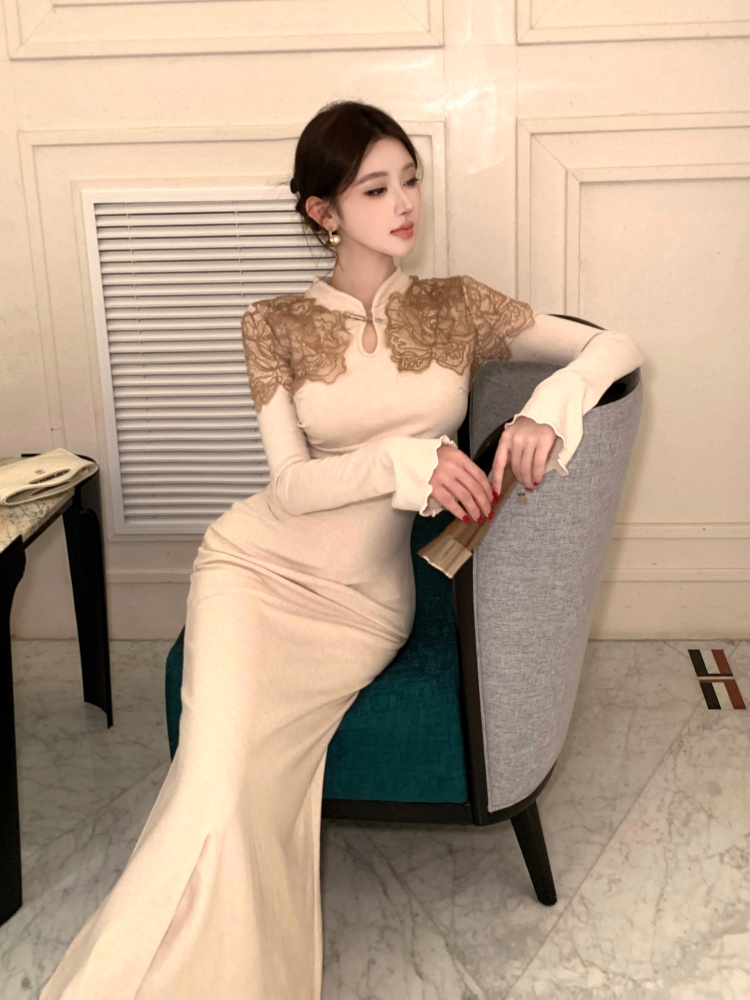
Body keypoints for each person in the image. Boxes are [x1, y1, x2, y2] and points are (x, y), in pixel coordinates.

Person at [40, 99, 644, 999]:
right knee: (215, 785)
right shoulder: (272, 322)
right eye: (375, 188)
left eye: (410, 181)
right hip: (253, 571)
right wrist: (404, 462)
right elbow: (291, 486)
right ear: (324, 211)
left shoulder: (455, 305)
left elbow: (616, 345)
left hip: (362, 606)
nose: (404, 203)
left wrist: (543, 409)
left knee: (248, 789)